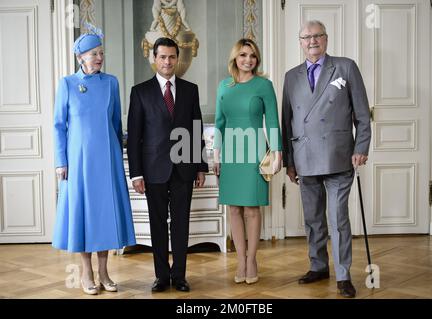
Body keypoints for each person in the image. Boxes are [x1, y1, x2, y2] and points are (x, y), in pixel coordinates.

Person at [281, 20, 371, 298]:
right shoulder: (291, 75)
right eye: (306, 37)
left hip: (339, 156)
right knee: (313, 219)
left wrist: (362, 147)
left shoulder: (345, 67)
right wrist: (289, 161)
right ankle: (318, 266)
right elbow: (288, 120)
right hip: (304, 157)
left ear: (326, 39)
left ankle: (343, 275)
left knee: (337, 219)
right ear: (300, 42)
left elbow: (363, 114)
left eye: (317, 35)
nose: (312, 41)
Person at [53, 26, 136, 295]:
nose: (99, 57)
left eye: (101, 52)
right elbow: (59, 126)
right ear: (80, 57)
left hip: (108, 160)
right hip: (78, 162)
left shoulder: (112, 83)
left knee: (105, 216)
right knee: (83, 215)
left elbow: (115, 122)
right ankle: (86, 274)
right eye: (93, 53)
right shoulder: (67, 84)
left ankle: (104, 272)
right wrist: (60, 161)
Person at [127, 37, 208, 293]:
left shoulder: (190, 89)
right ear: (154, 59)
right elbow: (134, 135)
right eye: (162, 57)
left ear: (177, 59)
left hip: (184, 167)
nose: (167, 61)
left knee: (181, 223)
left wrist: (200, 166)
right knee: (158, 223)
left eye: (172, 57)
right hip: (153, 170)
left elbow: (196, 130)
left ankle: (180, 275)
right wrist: (136, 174)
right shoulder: (140, 92)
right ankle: (162, 276)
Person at [213, 38, 282, 285]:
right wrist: (216, 153)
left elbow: (272, 121)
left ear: (257, 59)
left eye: (252, 56)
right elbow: (219, 123)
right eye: (243, 55)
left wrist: (277, 152)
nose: (248, 60)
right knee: (234, 209)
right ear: (235, 58)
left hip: (255, 152)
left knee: (252, 208)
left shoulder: (264, 85)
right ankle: (240, 259)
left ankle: (252, 259)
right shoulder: (223, 86)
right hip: (231, 152)